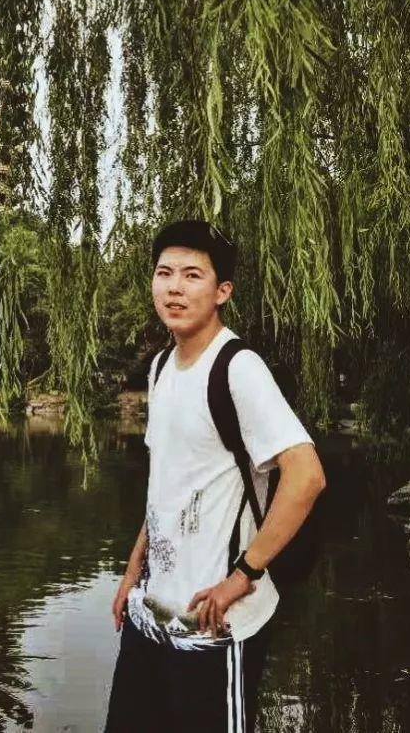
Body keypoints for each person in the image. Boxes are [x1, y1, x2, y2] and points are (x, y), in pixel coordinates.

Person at [104, 220, 326, 732]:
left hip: (214, 625)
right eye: (164, 273)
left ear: (222, 291)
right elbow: (167, 484)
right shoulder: (161, 367)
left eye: (192, 275)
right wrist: (133, 573)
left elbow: (307, 476)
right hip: (151, 615)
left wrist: (241, 577)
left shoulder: (237, 367)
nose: (174, 288)